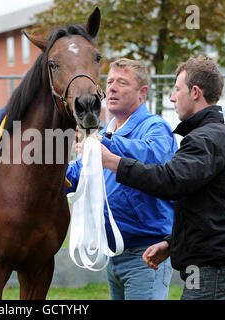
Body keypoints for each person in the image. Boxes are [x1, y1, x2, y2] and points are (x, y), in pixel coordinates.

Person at [100, 55, 225, 300]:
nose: (171, 97)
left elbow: (171, 181)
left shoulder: (206, 138)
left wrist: (112, 162)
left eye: (177, 89)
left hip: (212, 268)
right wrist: (171, 243)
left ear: (195, 92)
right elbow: (199, 207)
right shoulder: (206, 135)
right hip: (208, 266)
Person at [66, 58, 178, 300]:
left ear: (142, 93)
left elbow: (152, 154)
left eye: (122, 82)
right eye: (109, 82)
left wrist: (102, 143)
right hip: (114, 253)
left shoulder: (155, 126)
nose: (112, 88)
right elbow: (76, 175)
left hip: (147, 254)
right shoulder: (106, 131)